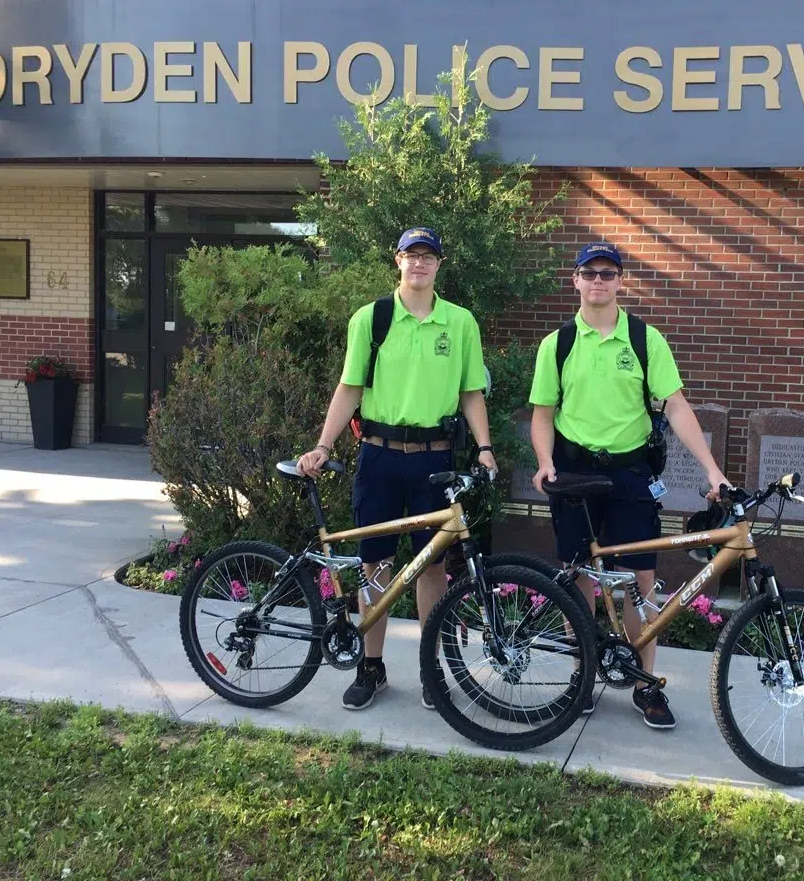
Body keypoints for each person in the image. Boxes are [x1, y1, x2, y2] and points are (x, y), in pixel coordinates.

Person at [528, 241, 729, 730]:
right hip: (575, 472)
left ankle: (645, 684)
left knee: (639, 581)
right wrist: (544, 461)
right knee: (579, 577)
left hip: (631, 472)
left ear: (621, 281)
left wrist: (712, 469)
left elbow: (676, 406)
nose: (598, 281)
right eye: (589, 272)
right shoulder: (557, 344)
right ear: (574, 280)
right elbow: (542, 414)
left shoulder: (644, 339)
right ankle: (582, 677)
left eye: (607, 273)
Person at [298, 227, 498, 711]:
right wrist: (323, 445)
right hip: (380, 454)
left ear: (439, 265)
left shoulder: (460, 322)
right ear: (398, 261)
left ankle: (431, 671)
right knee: (377, 563)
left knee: (432, 569)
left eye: (429, 256)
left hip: (436, 460)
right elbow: (350, 387)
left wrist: (486, 447)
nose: (420, 263)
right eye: (412, 255)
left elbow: (472, 392)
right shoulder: (372, 318)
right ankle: (372, 666)